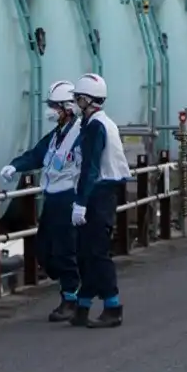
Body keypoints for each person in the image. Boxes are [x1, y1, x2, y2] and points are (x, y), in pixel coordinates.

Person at [0, 80, 84, 322]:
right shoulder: (57, 135)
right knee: (45, 250)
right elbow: (37, 155)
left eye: (54, 106)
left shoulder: (80, 134)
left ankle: (72, 298)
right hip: (53, 198)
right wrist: (15, 166)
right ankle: (75, 286)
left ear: (68, 108)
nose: (50, 111)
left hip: (68, 198)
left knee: (65, 251)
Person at [67, 72, 131, 328]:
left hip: (99, 193)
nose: (75, 103)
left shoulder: (96, 126)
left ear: (87, 100)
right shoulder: (97, 122)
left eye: (78, 98)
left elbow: (91, 168)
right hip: (101, 191)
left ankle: (113, 306)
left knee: (97, 253)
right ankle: (83, 304)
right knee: (86, 252)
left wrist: (81, 202)